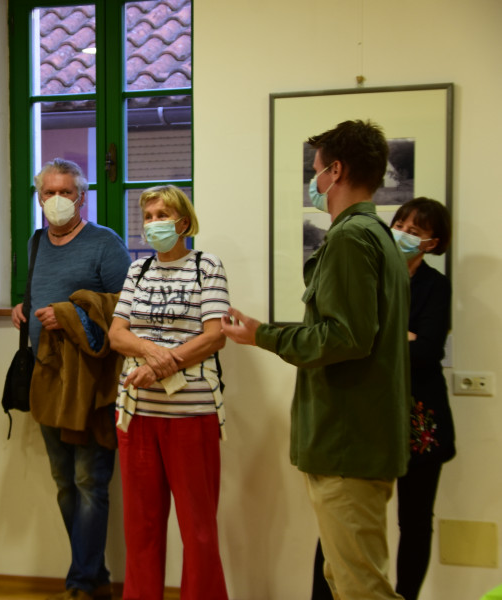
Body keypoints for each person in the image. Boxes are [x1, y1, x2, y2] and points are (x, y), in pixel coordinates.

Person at [221, 120, 411, 600]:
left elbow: (345, 337)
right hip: (355, 438)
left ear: (336, 171)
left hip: (347, 442)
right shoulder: (378, 235)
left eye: (317, 169)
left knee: (361, 586)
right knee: (344, 579)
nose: (315, 179)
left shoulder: (352, 237)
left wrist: (263, 336)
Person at [311, 197, 454, 600]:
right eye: (400, 224)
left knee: (415, 521)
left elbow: (426, 351)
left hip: (419, 418)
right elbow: (347, 339)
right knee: (341, 518)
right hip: (364, 412)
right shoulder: (370, 273)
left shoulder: (435, 286)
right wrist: (400, 337)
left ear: (431, 243)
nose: (402, 233)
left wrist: (379, 338)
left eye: (414, 230)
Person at [10, 158, 131, 600]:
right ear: (39, 197)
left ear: (83, 197)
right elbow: (38, 291)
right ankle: (93, 576)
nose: (57, 200)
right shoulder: (36, 241)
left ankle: (81, 581)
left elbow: (125, 306)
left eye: (66, 192)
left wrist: (70, 315)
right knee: (64, 482)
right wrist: (23, 307)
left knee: (89, 481)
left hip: (92, 381)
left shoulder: (105, 243)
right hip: (47, 376)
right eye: (49, 192)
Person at [108, 185, 230, 600]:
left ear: (183, 221)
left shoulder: (206, 267)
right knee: (141, 529)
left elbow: (214, 336)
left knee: (198, 530)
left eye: (163, 215)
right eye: (148, 217)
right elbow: (117, 334)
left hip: (192, 415)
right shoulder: (137, 270)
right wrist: (152, 352)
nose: (154, 223)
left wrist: (164, 363)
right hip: (137, 414)